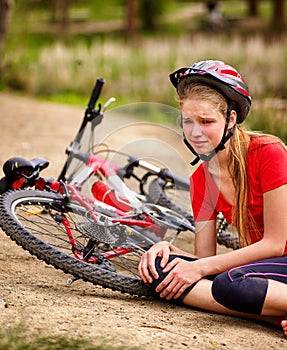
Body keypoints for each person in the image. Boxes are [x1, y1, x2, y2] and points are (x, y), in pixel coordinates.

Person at [138, 60, 287, 336]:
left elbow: (276, 244)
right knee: (163, 272)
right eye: (188, 121)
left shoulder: (269, 152)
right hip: (266, 278)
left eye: (206, 121)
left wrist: (198, 269)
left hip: (277, 261)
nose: (195, 133)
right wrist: (168, 251)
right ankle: (276, 317)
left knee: (228, 284)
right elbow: (203, 260)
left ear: (230, 119)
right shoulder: (201, 180)